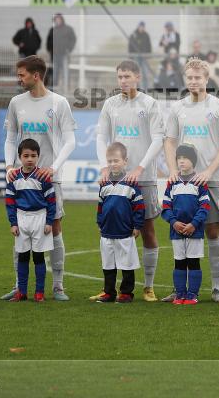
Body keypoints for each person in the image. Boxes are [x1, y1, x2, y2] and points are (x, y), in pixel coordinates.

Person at [1, 56, 77, 301]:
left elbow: (70, 140)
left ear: (36, 75)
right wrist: (8, 166)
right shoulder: (16, 103)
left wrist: (53, 168)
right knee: (20, 230)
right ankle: (19, 285)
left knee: (54, 227)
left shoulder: (59, 102)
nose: (18, 78)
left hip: (48, 177)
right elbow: (11, 137)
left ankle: (57, 285)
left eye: (22, 74)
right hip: (21, 177)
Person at [163, 57, 219, 302]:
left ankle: (216, 288)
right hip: (182, 183)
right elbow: (169, 140)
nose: (193, 81)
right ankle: (179, 289)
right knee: (181, 232)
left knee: (213, 232)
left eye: (198, 77)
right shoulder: (178, 108)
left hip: (211, 180)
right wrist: (173, 169)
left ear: (206, 79)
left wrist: (209, 171)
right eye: (190, 77)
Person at [94, 60, 165, 302]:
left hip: (142, 178)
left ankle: (148, 286)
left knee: (147, 230)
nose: (123, 81)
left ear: (137, 77)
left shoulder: (149, 104)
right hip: (115, 180)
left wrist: (140, 167)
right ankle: (111, 289)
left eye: (127, 76)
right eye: (120, 77)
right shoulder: (110, 105)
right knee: (111, 232)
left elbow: (158, 139)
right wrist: (104, 166)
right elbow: (101, 136)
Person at [5, 139, 56, 303]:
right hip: (21, 219)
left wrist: (49, 222)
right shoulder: (13, 177)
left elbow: (51, 201)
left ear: (38, 157)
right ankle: (22, 291)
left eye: (33, 156)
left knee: (39, 257)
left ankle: (39, 292)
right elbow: (10, 202)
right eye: (26, 155)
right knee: (23, 256)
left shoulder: (43, 177)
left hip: (40, 218)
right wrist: (13, 223)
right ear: (19, 157)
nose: (29, 159)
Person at [93, 142, 144, 303]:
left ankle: (127, 293)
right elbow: (101, 206)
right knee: (108, 264)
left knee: (127, 264)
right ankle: (109, 292)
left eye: (116, 160)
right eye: (110, 161)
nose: (113, 164)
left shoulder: (132, 184)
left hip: (125, 232)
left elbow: (139, 207)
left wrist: (137, 226)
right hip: (107, 231)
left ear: (125, 161)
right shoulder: (104, 184)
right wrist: (99, 222)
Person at [161, 143, 211, 304]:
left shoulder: (200, 183)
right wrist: (173, 222)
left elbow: (205, 207)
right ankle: (180, 293)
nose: (182, 161)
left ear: (193, 161)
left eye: (186, 158)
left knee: (193, 262)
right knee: (179, 262)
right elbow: (166, 207)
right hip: (176, 231)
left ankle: (192, 294)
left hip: (194, 231)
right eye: (179, 158)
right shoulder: (172, 183)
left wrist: (194, 224)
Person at [46, 13, 76, 88]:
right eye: (56, 19)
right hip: (55, 55)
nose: (58, 21)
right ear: (54, 21)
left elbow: (73, 39)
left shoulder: (68, 29)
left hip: (64, 55)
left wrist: (69, 49)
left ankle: (66, 89)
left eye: (59, 19)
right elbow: (48, 41)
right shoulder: (52, 30)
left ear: (62, 20)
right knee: (55, 73)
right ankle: (54, 90)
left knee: (65, 73)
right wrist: (50, 50)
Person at [128, 22, 153, 89]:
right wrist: (131, 56)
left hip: (144, 57)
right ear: (138, 27)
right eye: (141, 26)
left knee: (145, 73)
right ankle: (136, 88)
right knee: (136, 73)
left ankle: (145, 88)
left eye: (143, 27)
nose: (142, 28)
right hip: (136, 57)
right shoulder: (133, 35)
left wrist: (148, 55)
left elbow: (149, 45)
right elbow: (130, 46)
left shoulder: (146, 35)